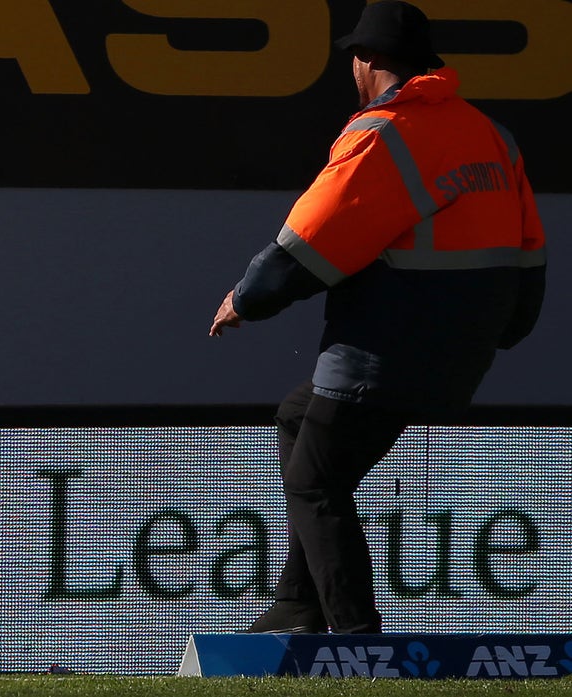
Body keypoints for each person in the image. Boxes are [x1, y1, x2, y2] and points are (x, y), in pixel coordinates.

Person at [209, 0, 545, 634]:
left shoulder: (383, 134)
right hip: (459, 348)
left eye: (354, 58)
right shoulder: (488, 134)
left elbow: (313, 240)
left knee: (315, 484)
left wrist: (247, 299)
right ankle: (296, 606)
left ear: (369, 61)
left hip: (383, 348)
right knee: (298, 416)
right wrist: (508, 328)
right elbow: (530, 250)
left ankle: (354, 639)